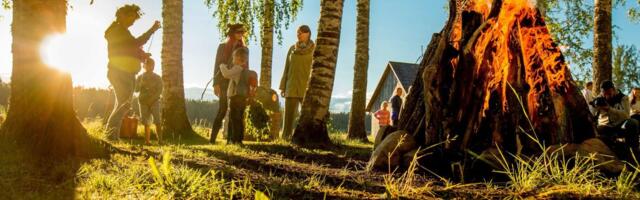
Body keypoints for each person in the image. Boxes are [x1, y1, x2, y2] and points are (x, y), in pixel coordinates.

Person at [105, 4, 161, 140]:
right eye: (131, 17)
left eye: (135, 19)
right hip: (120, 73)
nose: (133, 21)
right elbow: (134, 44)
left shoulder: (122, 31)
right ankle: (111, 136)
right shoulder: (117, 30)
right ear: (122, 15)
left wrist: (142, 56)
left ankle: (112, 135)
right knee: (124, 105)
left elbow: (128, 50)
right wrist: (152, 30)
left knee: (122, 104)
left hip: (125, 73)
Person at [210, 24, 247, 143]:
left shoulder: (244, 49)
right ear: (232, 33)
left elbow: (246, 67)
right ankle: (212, 139)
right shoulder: (222, 47)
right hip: (223, 82)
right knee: (222, 109)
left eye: (242, 32)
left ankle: (230, 141)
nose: (240, 34)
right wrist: (215, 84)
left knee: (234, 112)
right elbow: (217, 65)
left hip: (236, 82)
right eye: (238, 32)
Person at [279, 25, 315, 139]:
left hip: (306, 87)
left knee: (307, 116)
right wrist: (283, 86)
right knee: (289, 116)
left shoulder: (314, 49)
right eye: (297, 32)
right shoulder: (292, 49)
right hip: (291, 86)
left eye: (301, 32)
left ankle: (307, 138)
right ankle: (285, 137)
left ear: (308, 33)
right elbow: (286, 68)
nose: (298, 34)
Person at [219, 48, 255, 144]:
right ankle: (238, 139)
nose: (232, 59)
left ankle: (234, 140)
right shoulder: (244, 70)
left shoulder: (237, 68)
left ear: (238, 58)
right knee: (239, 119)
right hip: (243, 98)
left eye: (234, 57)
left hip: (235, 98)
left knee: (234, 119)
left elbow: (226, 74)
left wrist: (222, 66)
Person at [595, 80, 639, 159]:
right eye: (604, 94)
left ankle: (633, 153)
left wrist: (609, 109)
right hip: (605, 127)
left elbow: (626, 115)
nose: (607, 96)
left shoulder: (623, 98)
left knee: (633, 123)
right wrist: (596, 106)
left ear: (614, 90)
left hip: (620, 126)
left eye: (609, 93)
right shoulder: (599, 99)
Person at [135, 58, 162, 145]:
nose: (149, 66)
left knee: (157, 121)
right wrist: (140, 84)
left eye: (151, 65)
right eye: (147, 65)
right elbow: (136, 90)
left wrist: (152, 99)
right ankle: (147, 141)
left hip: (154, 101)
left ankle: (160, 141)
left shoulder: (157, 77)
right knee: (146, 122)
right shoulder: (140, 77)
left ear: (153, 66)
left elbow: (159, 91)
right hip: (143, 102)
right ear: (144, 66)